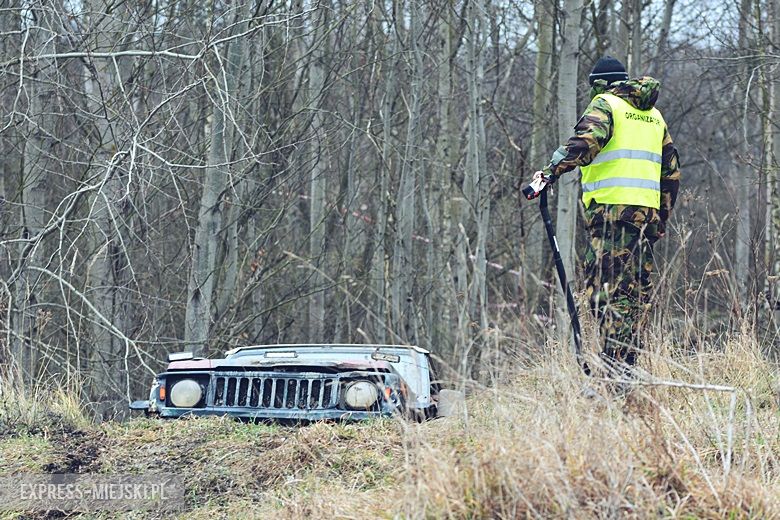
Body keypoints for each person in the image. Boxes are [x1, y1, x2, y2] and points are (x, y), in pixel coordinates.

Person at [534, 56, 681, 378]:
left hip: (613, 215)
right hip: (645, 218)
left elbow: (585, 142)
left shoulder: (607, 103)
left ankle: (613, 371)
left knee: (605, 291)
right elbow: (671, 174)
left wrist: (546, 175)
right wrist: (660, 221)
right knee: (633, 293)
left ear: (600, 83)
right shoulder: (654, 117)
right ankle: (626, 365)